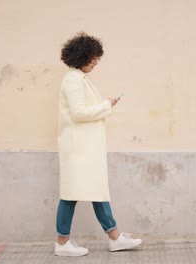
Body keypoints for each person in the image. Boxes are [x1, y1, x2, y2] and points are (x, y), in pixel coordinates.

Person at [55, 32, 142, 257]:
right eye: (92, 59)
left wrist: (106, 105)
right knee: (71, 194)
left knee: (96, 191)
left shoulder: (80, 78)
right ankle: (63, 243)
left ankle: (115, 238)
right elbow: (79, 113)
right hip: (79, 150)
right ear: (80, 56)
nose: (95, 63)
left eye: (97, 59)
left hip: (85, 149)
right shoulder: (73, 79)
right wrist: (106, 105)